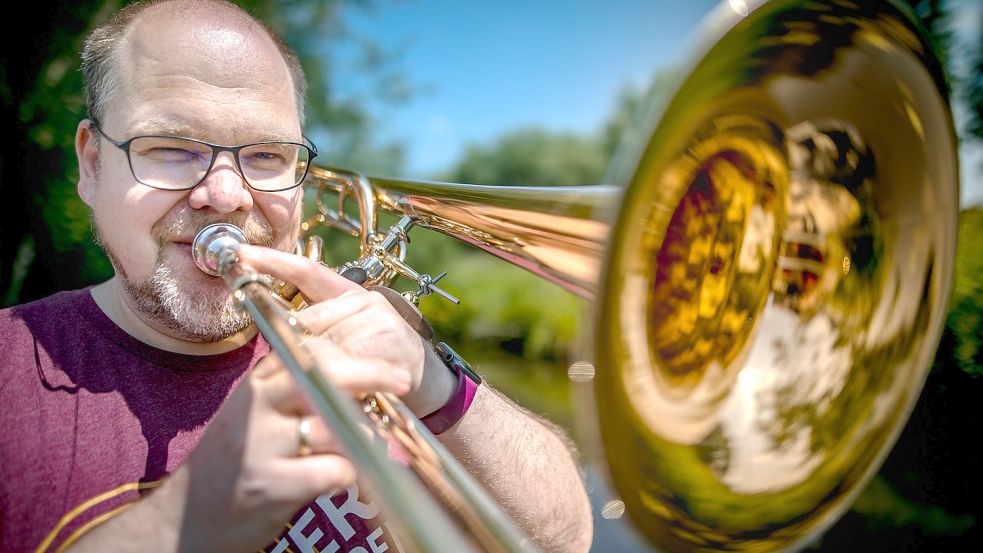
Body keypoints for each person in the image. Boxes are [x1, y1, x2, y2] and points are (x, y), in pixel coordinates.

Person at [0, 1, 593, 552]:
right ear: (92, 163)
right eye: (172, 147)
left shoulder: (365, 345)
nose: (227, 196)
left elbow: (564, 540)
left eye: (266, 156)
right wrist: (182, 519)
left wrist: (434, 381)